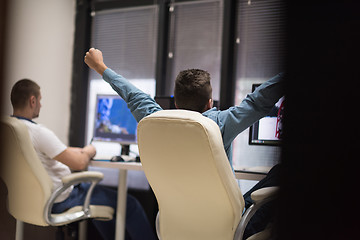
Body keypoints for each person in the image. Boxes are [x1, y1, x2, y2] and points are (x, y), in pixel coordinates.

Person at [84, 48, 284, 238]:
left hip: (176, 224)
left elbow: (132, 95)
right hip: (230, 227)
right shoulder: (219, 124)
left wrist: (101, 67)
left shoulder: (155, 120)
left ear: (176, 103)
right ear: (210, 103)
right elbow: (258, 101)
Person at [10, 79, 157, 240]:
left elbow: (53, 152)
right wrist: (89, 150)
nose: (41, 105)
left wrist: (79, 151)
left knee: (104, 210)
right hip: (62, 199)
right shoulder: (37, 132)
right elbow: (79, 163)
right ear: (33, 101)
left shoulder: (12, 130)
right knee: (130, 205)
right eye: (40, 100)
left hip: (27, 200)